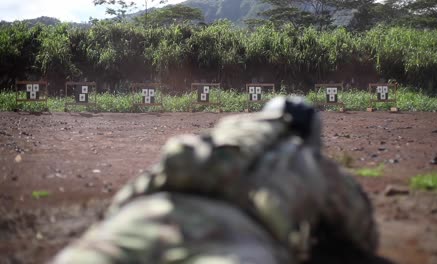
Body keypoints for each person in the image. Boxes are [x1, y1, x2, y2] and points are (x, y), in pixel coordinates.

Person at [51, 97, 385, 264]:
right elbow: (362, 235)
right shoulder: (311, 162)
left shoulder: (220, 139)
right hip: (235, 239)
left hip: (141, 216)